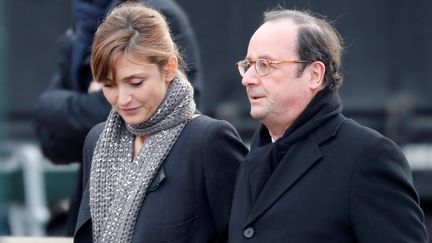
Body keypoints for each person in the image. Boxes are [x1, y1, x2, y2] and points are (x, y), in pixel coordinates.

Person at [229, 8, 428, 243]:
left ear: (314, 74)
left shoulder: (367, 156)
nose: (247, 78)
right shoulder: (252, 159)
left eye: (265, 65)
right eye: (248, 64)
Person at [72, 3, 247, 242]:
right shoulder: (97, 140)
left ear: (169, 68)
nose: (122, 99)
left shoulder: (208, 141)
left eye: (135, 82)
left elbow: (243, 233)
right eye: (109, 85)